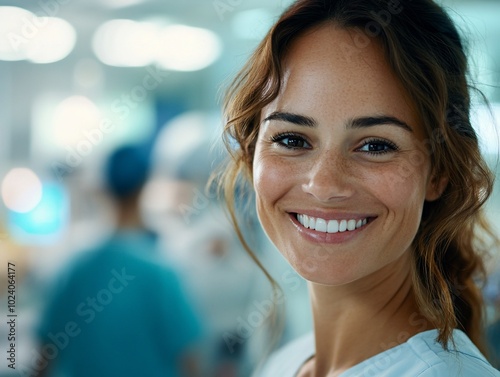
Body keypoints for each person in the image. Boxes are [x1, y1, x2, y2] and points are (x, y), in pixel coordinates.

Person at [218, 0, 500, 376]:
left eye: (376, 146)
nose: (323, 184)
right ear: (252, 153)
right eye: (292, 139)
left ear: (439, 172)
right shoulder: (284, 364)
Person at [35, 145, 203, 377]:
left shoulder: (74, 269)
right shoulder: (161, 274)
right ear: (145, 186)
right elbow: (190, 360)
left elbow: (44, 357)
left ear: (103, 188)